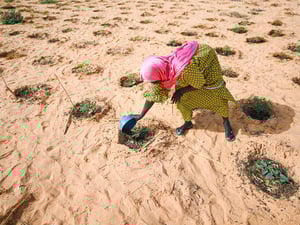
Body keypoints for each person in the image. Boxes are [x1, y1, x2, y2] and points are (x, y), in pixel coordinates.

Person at [129, 41, 236, 142]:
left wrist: (180, 91)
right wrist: (141, 115)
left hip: (206, 59)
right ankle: (188, 123)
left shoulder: (185, 70)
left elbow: (199, 84)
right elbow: (154, 94)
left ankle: (226, 122)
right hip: (191, 70)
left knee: (215, 94)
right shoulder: (164, 68)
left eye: (154, 81)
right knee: (181, 100)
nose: (154, 83)